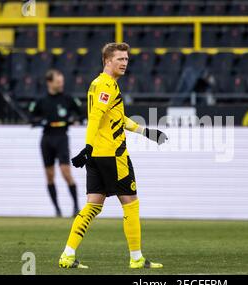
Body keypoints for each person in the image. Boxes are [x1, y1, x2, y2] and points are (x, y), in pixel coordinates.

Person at [58, 42, 168, 269]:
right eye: (120, 59)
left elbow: (117, 119)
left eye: (126, 59)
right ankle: (136, 258)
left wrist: (145, 132)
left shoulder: (98, 84)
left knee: (93, 205)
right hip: (113, 155)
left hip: (98, 155)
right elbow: (96, 117)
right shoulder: (107, 85)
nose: (125, 63)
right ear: (107, 61)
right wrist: (86, 147)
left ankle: (67, 255)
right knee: (131, 204)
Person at [28, 69, 83, 217]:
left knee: (66, 173)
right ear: (49, 82)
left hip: (61, 137)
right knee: (49, 175)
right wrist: (40, 122)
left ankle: (76, 207)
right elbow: (31, 117)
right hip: (47, 139)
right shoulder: (41, 100)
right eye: (58, 81)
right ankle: (57, 210)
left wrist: (75, 120)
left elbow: (81, 112)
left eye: (62, 81)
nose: (61, 84)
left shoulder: (67, 98)